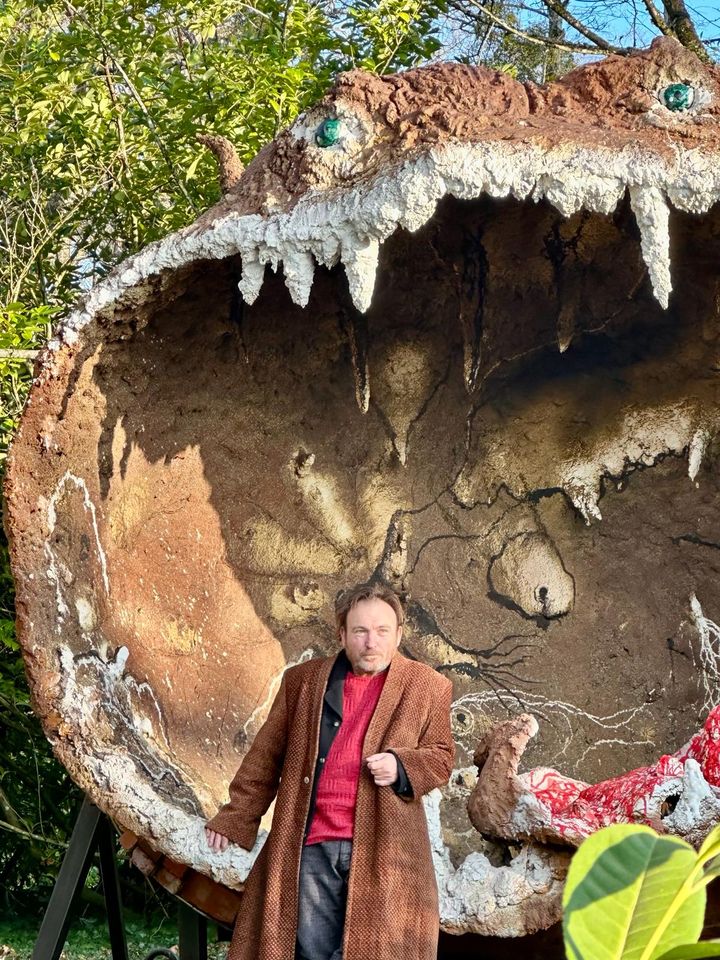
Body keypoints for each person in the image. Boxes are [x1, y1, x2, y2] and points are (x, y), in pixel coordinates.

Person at [205, 580, 455, 960]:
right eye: (360, 631)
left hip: (386, 851)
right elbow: (266, 756)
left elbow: (441, 756)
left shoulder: (429, 687)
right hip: (312, 845)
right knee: (312, 953)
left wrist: (402, 765)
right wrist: (236, 818)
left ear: (398, 634)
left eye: (382, 631)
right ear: (342, 634)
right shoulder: (303, 682)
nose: (371, 642)